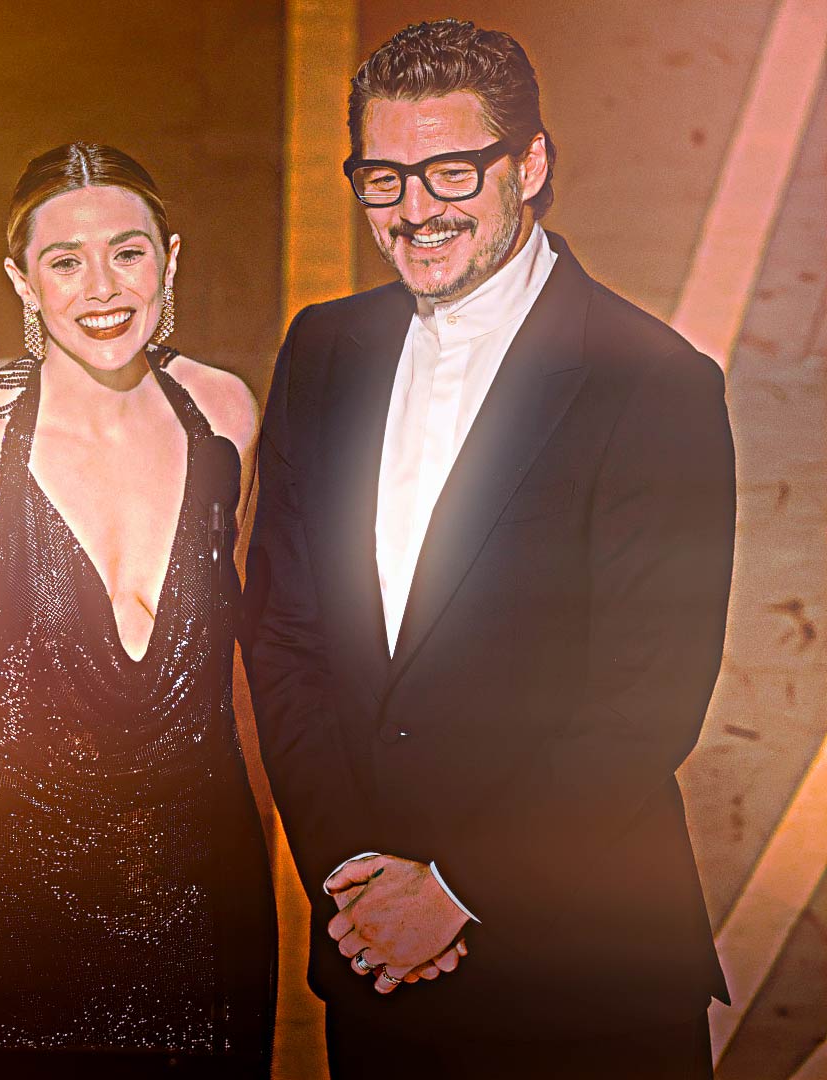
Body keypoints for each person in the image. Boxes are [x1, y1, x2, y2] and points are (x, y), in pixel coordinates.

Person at [244, 20, 734, 1080]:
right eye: (383, 178)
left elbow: (648, 698)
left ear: (531, 164)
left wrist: (455, 891)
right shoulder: (323, 349)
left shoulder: (654, 381)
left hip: (586, 986)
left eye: (452, 172)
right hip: (376, 967)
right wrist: (357, 877)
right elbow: (282, 634)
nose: (416, 210)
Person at [0, 142, 275, 1079]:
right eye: (66, 261)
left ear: (170, 259)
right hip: (17, 928)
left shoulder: (224, 415)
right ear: (23, 281)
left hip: (209, 915)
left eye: (127, 253)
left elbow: (223, 678)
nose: (102, 289)